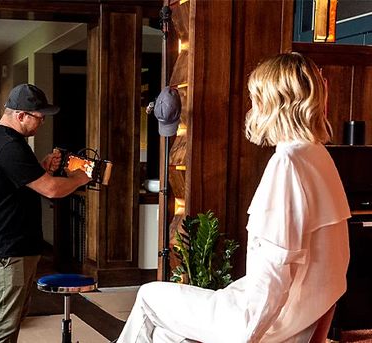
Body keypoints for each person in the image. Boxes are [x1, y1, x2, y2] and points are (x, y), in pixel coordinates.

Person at [116, 52, 351, 343]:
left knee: (149, 295)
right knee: (165, 333)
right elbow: (335, 271)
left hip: (257, 320)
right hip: (294, 318)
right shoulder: (318, 156)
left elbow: (271, 280)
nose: (252, 107)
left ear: (273, 103)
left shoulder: (287, 164)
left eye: (255, 98)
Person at [0, 83, 91, 342]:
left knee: (12, 316)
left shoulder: (5, 139)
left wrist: (40, 168)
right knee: (4, 326)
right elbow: (51, 190)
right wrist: (79, 177)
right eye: (38, 118)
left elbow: (18, 183)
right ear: (20, 115)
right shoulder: (9, 146)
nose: (41, 123)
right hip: (8, 250)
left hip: (12, 246)